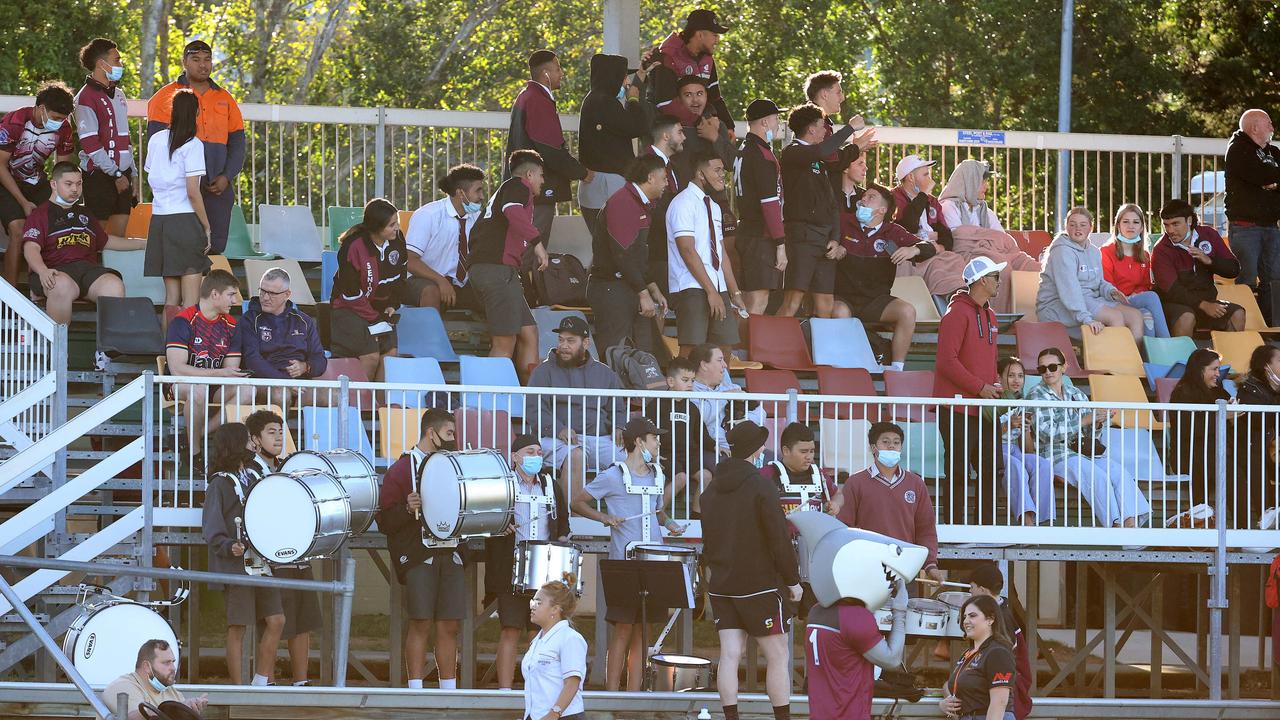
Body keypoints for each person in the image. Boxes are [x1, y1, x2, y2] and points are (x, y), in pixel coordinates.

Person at [570, 417, 684, 691]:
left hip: (654, 562)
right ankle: (612, 694)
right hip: (624, 564)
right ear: (638, 441)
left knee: (643, 632)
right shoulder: (613, 475)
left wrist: (669, 523)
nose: (658, 442)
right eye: (654, 437)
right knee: (622, 628)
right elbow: (577, 502)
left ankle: (634, 695)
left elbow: (657, 511)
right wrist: (604, 517)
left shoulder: (659, 473)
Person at [700, 420, 802, 720]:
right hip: (759, 584)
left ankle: (731, 717)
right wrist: (792, 580)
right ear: (756, 450)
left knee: (730, 654)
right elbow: (778, 537)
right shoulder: (761, 486)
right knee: (778, 654)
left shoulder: (710, 491)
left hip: (721, 582)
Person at [377, 408, 465, 689]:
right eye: (449, 433)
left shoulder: (455, 464)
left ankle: (448, 689)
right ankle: (415, 689)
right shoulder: (402, 469)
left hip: (450, 553)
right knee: (420, 622)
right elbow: (385, 520)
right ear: (431, 433)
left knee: (449, 624)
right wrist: (407, 508)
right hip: (418, 554)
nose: (453, 438)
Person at [1026, 347, 1150, 528]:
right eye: (1042, 369)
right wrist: (1085, 420)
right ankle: (1116, 527)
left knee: (1120, 473)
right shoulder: (1035, 394)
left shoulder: (1076, 393)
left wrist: (1098, 422)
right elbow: (1048, 433)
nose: (1047, 372)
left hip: (1085, 453)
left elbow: (1090, 434)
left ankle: (1131, 524)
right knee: (1096, 476)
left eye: (1052, 367)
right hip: (1056, 455)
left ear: (1064, 367)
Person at [200, 423, 285, 686]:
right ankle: (238, 689)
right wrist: (228, 546)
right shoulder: (219, 483)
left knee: (276, 620)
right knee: (238, 627)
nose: (255, 443)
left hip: (261, 561)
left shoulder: (253, 475)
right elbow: (211, 527)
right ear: (236, 443)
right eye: (249, 439)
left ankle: (260, 681)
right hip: (236, 565)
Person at [485, 434, 570, 691]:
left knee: (539, 631)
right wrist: (501, 525)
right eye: (530, 452)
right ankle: (505, 690)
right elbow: (488, 520)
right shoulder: (504, 484)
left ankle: (537, 688)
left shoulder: (550, 485)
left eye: (539, 453)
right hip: (510, 568)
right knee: (510, 629)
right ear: (515, 456)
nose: (536, 457)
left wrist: (563, 538)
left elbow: (562, 522)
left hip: (544, 570)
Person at [146, 40, 246, 255]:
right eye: (196, 59)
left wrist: (226, 176)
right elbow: (158, 148)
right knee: (184, 245)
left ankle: (208, 289)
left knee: (215, 245)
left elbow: (238, 144)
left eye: (207, 59)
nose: (203, 65)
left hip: (217, 183)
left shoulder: (225, 98)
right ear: (184, 62)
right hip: (182, 187)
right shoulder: (164, 97)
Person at [244, 410, 320, 686]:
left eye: (280, 432)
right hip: (269, 558)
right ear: (254, 439)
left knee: (303, 620)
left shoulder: (288, 466)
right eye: (270, 432)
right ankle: (268, 681)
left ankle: (301, 681)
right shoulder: (249, 471)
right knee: (275, 622)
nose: (278, 437)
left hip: (298, 552)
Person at [21, 162, 141, 325]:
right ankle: (59, 349)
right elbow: (31, 248)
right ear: (54, 184)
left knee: (113, 285)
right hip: (56, 271)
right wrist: (42, 271)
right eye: (68, 184)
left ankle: (108, 349)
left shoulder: (85, 213)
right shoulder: (40, 214)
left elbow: (105, 241)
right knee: (60, 285)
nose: (75, 189)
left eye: (79, 184)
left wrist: (143, 244)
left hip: (87, 271)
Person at [833, 182, 934, 370]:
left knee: (907, 311)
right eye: (863, 197)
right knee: (840, 312)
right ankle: (845, 367)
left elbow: (930, 248)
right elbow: (824, 237)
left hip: (876, 301)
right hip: (843, 298)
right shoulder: (843, 221)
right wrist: (834, 245)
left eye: (871, 197)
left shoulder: (892, 231)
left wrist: (913, 250)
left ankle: (896, 369)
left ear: (882, 210)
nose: (863, 199)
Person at [934, 256, 1005, 525]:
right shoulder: (956, 314)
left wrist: (993, 385)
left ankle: (984, 528)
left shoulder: (991, 314)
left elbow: (982, 362)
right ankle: (955, 527)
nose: (1000, 281)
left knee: (991, 470)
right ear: (983, 280)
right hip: (957, 407)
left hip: (983, 406)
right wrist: (980, 387)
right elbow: (946, 362)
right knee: (959, 470)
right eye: (996, 277)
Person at [468, 149, 547, 382]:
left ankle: (531, 397)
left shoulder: (504, 193)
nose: (543, 181)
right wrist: (538, 244)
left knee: (529, 332)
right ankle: (489, 405)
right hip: (497, 272)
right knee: (504, 342)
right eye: (541, 175)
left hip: (500, 272)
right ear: (530, 175)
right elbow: (512, 211)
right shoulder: (517, 186)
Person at [775, 103, 859, 318]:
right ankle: (774, 349)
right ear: (811, 129)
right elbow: (823, 150)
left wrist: (835, 237)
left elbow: (831, 203)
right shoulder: (792, 152)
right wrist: (849, 129)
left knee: (825, 303)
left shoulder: (818, 161)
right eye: (822, 126)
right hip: (802, 236)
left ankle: (822, 352)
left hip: (824, 239)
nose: (825, 131)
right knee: (793, 300)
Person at [835, 421, 944, 582]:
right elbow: (844, 528)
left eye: (896, 442)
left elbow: (925, 528)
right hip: (867, 570)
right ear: (874, 448)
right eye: (885, 442)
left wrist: (930, 565)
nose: (892, 446)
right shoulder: (855, 483)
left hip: (904, 569)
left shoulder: (916, 484)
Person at [527, 316, 625, 487]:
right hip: (557, 439)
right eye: (561, 340)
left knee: (633, 460)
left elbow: (617, 408)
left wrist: (619, 426)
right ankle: (570, 513)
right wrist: (558, 429)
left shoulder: (605, 373)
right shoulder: (543, 371)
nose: (563, 346)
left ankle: (623, 514)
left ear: (585, 343)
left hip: (599, 439)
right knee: (576, 456)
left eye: (570, 341)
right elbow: (534, 409)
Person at [587, 154, 669, 355]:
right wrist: (643, 292)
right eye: (664, 178)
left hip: (629, 286)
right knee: (617, 354)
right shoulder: (623, 202)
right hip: (610, 288)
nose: (667, 184)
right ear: (650, 178)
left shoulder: (640, 202)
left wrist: (651, 286)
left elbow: (638, 253)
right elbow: (622, 254)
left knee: (643, 354)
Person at [506, 49, 591, 244]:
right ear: (546, 74)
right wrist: (581, 172)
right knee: (534, 244)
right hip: (537, 188)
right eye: (558, 69)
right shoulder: (538, 101)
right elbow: (550, 149)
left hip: (524, 183)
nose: (561, 74)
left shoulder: (526, 96)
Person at [937, 160, 1040, 312]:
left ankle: (1033, 316)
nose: (986, 186)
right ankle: (996, 318)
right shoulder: (948, 206)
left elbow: (1004, 241)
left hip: (997, 253)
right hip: (970, 257)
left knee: (1034, 268)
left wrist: (983, 237)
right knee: (1001, 269)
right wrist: (988, 239)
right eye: (982, 181)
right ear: (969, 182)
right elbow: (959, 240)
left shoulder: (985, 210)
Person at [667, 151, 743, 357]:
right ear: (701, 174)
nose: (722, 176)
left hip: (718, 286)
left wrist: (734, 292)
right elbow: (687, 250)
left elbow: (721, 253)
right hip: (691, 286)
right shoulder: (682, 203)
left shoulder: (714, 207)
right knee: (692, 348)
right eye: (717, 170)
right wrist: (711, 292)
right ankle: (681, 389)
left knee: (725, 347)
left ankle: (717, 390)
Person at [0, 80, 75, 284]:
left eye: (63, 119)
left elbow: (62, 170)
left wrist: (62, 202)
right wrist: (23, 202)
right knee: (18, 227)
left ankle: (53, 287)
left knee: (61, 223)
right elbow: (0, 166)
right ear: (41, 109)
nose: (59, 122)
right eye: (55, 118)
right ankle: (10, 294)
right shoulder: (14, 121)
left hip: (36, 181)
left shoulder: (64, 128)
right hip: (5, 179)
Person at [143, 89, 211, 307]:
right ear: (196, 113)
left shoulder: (156, 140)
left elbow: (151, 176)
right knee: (191, 301)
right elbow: (193, 192)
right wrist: (206, 227)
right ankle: (187, 342)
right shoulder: (193, 144)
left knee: (171, 300)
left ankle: (169, 342)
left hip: (160, 221)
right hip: (184, 223)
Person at [1036, 207, 1145, 342]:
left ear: (1091, 228)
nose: (1078, 229)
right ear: (1066, 227)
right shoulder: (1062, 251)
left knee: (1135, 316)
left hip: (1089, 300)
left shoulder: (1093, 251)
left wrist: (1110, 291)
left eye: (1083, 225)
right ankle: (1113, 362)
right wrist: (1086, 319)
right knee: (1115, 317)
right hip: (1056, 306)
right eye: (1072, 225)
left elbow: (1099, 281)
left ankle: (1134, 361)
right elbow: (1070, 290)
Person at [805, 580, 909, 720]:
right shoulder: (854, 615)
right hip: (849, 714)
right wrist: (900, 611)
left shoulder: (815, 611)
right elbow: (892, 660)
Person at [166, 270, 247, 448]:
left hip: (214, 386)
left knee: (248, 391)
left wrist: (230, 374)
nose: (235, 301)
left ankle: (199, 434)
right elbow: (177, 369)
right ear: (215, 294)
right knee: (199, 390)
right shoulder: (183, 321)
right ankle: (194, 454)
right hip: (181, 384)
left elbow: (230, 370)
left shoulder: (232, 324)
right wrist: (219, 372)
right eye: (231, 295)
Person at [329, 198, 409, 380]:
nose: (397, 228)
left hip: (379, 310)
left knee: (390, 355)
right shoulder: (353, 246)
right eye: (391, 225)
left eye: (397, 223)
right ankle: (362, 406)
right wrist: (375, 319)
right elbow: (350, 294)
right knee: (371, 356)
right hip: (348, 309)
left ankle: (380, 407)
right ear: (376, 228)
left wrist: (392, 305)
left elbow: (401, 278)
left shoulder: (397, 239)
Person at [1152, 198, 1243, 337]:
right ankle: (1181, 358)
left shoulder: (1209, 234)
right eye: (1166, 225)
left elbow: (1234, 269)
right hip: (1174, 304)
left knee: (1237, 313)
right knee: (1186, 316)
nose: (1170, 230)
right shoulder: (1161, 249)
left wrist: (1210, 261)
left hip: (1206, 302)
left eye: (1176, 224)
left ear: (1189, 220)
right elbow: (1172, 291)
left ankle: (1231, 357)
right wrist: (1204, 305)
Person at [578, 53, 651, 222]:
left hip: (598, 183)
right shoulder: (604, 102)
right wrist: (633, 99)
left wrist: (641, 76)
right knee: (616, 242)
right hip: (608, 184)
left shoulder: (594, 99)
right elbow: (637, 127)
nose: (626, 82)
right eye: (624, 77)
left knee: (602, 243)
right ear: (612, 77)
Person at [74, 38, 135, 237]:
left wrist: (131, 172)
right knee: (96, 237)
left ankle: (115, 270)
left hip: (123, 175)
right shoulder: (84, 98)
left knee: (119, 237)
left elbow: (125, 137)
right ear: (102, 63)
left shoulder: (119, 94)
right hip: (99, 176)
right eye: (117, 60)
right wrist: (115, 174)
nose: (121, 64)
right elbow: (90, 143)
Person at [642, 356, 717, 517]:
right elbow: (646, 431)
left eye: (692, 380)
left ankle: (696, 517)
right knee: (681, 478)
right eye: (685, 380)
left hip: (690, 455)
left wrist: (717, 446)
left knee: (706, 476)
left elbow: (702, 436)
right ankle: (656, 513)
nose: (690, 384)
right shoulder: (657, 405)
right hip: (667, 454)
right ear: (670, 381)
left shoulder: (692, 408)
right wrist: (653, 454)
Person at [1224, 109, 1280, 324]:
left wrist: (1272, 184)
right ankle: (1245, 327)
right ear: (1254, 127)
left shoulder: (1273, 152)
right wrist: (1270, 181)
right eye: (1269, 124)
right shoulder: (1238, 149)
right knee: (1247, 279)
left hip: (1271, 226)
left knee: (1274, 279)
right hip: (1245, 227)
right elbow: (1260, 175)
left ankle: (1273, 327)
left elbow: (1267, 178)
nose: (1272, 128)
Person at [404, 164, 485, 310]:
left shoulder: (479, 218)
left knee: (496, 291)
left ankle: (498, 333)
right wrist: (440, 281)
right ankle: (429, 333)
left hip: (461, 283)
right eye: (478, 191)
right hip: (425, 280)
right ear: (461, 193)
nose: (482, 196)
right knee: (431, 291)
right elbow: (409, 260)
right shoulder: (428, 215)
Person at [732, 99, 787, 315]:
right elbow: (770, 203)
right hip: (760, 236)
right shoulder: (761, 154)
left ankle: (742, 348)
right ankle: (746, 349)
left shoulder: (743, 148)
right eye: (776, 119)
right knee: (758, 300)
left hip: (747, 230)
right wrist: (780, 243)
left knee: (749, 300)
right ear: (764, 122)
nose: (777, 124)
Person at [990, 357, 1056, 526]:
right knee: (1017, 467)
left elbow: (1028, 450)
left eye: (1020, 376)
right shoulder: (992, 398)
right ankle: (1026, 521)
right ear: (999, 377)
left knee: (1043, 464)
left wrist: (1025, 430)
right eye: (1011, 375)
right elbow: (983, 436)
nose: (1016, 380)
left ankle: (1042, 522)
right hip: (995, 450)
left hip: (1016, 450)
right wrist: (1007, 425)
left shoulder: (1023, 402)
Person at [1168, 348, 1234, 509]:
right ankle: (1200, 514)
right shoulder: (1182, 393)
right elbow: (1188, 429)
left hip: (1217, 453)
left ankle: (1241, 523)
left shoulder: (1218, 391)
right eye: (1214, 369)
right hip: (1189, 455)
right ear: (1199, 369)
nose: (1218, 374)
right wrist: (1222, 417)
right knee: (1213, 460)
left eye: (1218, 369)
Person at [238, 267, 327, 384]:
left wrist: (305, 367)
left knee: (332, 396)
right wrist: (285, 382)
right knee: (281, 395)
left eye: (272, 293)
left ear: (287, 294)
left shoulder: (304, 321)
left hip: (300, 382)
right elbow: (252, 360)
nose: (265, 298)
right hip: (266, 382)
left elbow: (319, 358)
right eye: (262, 291)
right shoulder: (250, 319)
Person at [967, 563, 1033, 720]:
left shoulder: (1000, 620)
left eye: (972, 587)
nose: (969, 591)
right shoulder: (999, 613)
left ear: (982, 590)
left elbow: (1000, 671)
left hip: (1005, 699)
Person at [650, 9, 734, 126]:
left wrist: (729, 126)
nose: (717, 40)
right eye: (714, 35)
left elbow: (714, 98)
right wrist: (701, 123)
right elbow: (665, 103)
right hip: (665, 132)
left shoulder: (707, 58)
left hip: (693, 128)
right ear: (700, 35)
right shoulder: (667, 56)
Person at [940, 594, 1017, 720]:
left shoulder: (997, 652)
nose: (965, 621)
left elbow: (999, 703)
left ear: (990, 619)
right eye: (964, 616)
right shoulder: (968, 653)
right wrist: (945, 703)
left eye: (972, 616)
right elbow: (954, 684)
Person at [1099, 203, 1171, 338]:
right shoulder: (1106, 252)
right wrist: (1126, 297)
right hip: (1114, 301)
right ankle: (1167, 343)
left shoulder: (1144, 255)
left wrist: (1135, 295)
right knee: (1152, 297)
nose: (1130, 226)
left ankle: (1150, 357)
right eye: (1125, 221)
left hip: (1135, 300)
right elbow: (1107, 285)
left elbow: (1144, 286)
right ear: (1118, 225)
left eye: (1136, 222)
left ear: (1142, 227)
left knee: (1147, 316)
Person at [522, 581, 588, 720]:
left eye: (538, 602)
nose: (532, 607)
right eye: (532, 602)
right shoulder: (537, 641)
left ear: (555, 609)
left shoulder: (570, 638)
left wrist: (554, 713)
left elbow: (572, 682)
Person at [100, 639, 207, 720]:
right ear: (147, 666)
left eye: (173, 662)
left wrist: (189, 709)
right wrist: (175, 710)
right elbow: (132, 717)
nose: (173, 668)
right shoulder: (122, 687)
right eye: (166, 663)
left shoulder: (172, 692)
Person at [1233, 344, 1280, 526]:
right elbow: (1260, 422)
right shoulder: (1249, 389)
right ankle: (1266, 520)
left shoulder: (1272, 390)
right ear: (1266, 366)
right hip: (1256, 451)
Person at [641, 114, 686, 299]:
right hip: (653, 248)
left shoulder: (671, 165)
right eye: (680, 132)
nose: (684, 137)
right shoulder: (645, 163)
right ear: (666, 136)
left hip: (669, 247)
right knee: (659, 304)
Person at [689, 343, 760, 456]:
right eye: (719, 360)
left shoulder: (731, 388)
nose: (725, 365)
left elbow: (760, 413)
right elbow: (701, 416)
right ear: (704, 365)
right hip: (711, 450)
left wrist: (744, 422)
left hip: (744, 448)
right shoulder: (689, 390)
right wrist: (724, 398)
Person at [759, 422, 837, 516]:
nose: (809, 457)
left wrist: (836, 504)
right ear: (786, 451)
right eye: (803, 452)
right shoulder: (767, 475)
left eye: (812, 451)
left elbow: (837, 494)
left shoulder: (819, 475)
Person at [892, 154, 952, 249]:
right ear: (911, 177)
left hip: (935, 251)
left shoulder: (932, 200)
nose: (930, 179)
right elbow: (908, 227)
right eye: (925, 175)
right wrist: (923, 194)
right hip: (908, 254)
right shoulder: (892, 198)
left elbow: (947, 236)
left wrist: (939, 248)